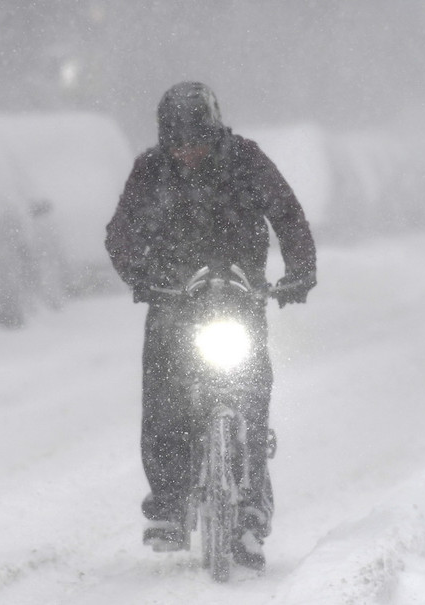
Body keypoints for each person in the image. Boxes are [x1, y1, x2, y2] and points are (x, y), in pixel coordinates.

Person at [105, 81, 316, 571]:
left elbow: (288, 215)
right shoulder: (149, 171)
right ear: (165, 141)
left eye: (196, 140)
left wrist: (299, 271)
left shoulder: (246, 160)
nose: (188, 151)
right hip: (173, 302)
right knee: (163, 396)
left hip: (238, 298)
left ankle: (249, 510)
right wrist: (142, 276)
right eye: (177, 143)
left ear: (215, 131)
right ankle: (168, 503)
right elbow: (121, 232)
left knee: (251, 389)